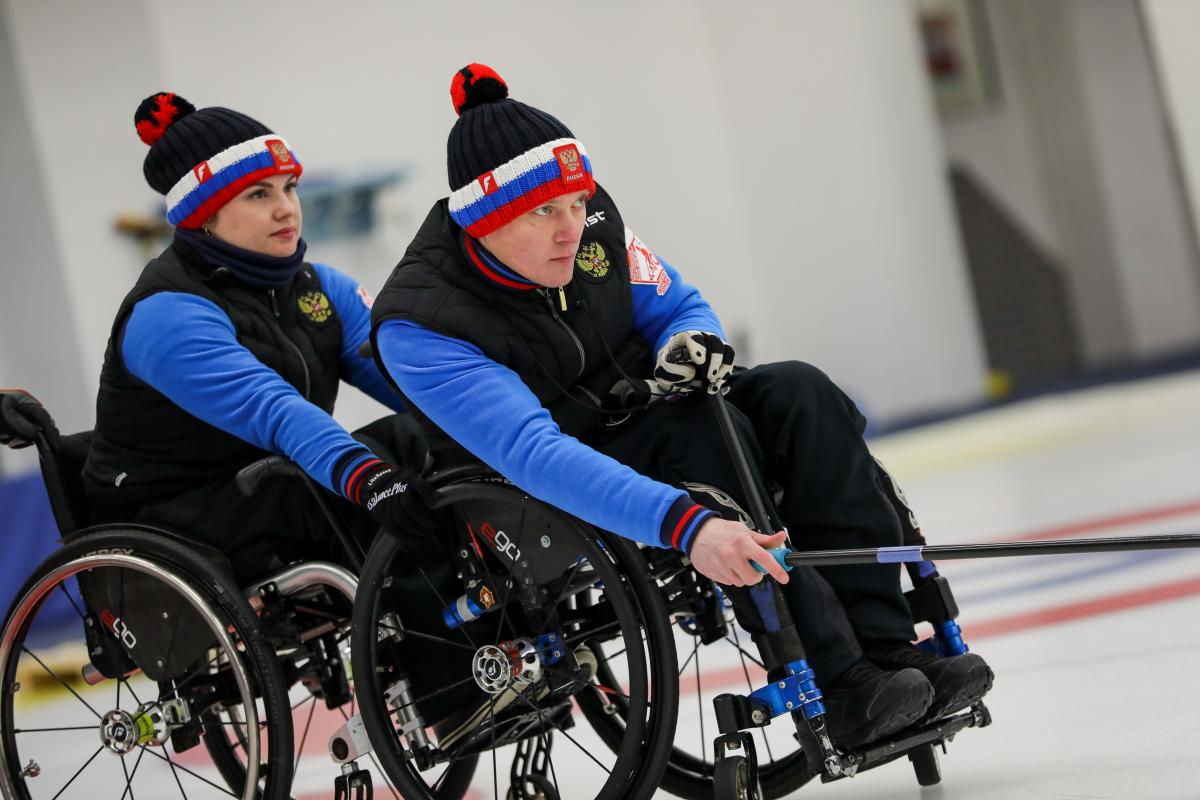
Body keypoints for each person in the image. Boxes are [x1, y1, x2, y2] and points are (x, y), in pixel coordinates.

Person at [369, 64, 993, 749]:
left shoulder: (592, 220)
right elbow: (533, 455)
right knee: (703, 434)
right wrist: (688, 528)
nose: (570, 228)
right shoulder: (419, 325)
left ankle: (891, 650)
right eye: (544, 212)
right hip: (559, 465)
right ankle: (841, 678)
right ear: (484, 221)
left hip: (647, 402)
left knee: (801, 391)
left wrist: (688, 342)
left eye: (575, 204)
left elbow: (677, 302)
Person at [82, 92, 432, 583]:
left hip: (272, 478)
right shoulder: (165, 315)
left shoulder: (320, 288)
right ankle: (441, 643)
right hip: (169, 522)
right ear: (204, 215)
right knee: (341, 496)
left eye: (288, 188)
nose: (287, 209)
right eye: (259, 194)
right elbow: (275, 411)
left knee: (419, 441)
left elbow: (407, 377)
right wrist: (369, 480)